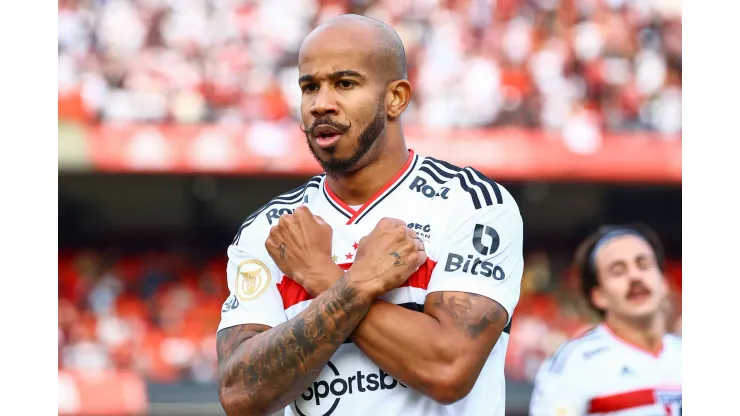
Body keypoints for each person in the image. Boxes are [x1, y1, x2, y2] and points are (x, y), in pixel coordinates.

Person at [215, 14, 524, 416]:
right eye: (310, 87)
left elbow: (448, 369)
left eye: (345, 83)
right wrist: (358, 284)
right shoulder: (270, 230)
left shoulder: (470, 204)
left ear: (396, 97)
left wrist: (322, 277)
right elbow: (240, 395)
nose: (321, 103)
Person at [529, 224, 681, 416]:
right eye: (618, 271)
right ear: (598, 295)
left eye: (643, 264)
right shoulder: (575, 363)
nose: (635, 276)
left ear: (664, 281)